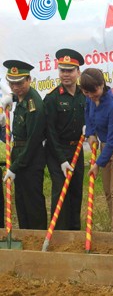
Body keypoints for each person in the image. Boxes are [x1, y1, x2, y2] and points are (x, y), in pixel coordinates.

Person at [80, 68, 113, 233]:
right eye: (87, 92)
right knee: (108, 192)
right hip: (105, 147)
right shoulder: (90, 98)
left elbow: (112, 140)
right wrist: (90, 134)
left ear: (102, 84)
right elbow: (88, 116)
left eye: (94, 91)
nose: (91, 95)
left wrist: (97, 164)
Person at [1, 60, 47, 229]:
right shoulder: (20, 97)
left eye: (19, 83)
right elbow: (17, 95)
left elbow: (33, 141)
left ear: (29, 80)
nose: (15, 87)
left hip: (30, 158)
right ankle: (25, 236)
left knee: (32, 200)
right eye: (12, 83)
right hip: (19, 153)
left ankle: (37, 238)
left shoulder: (33, 104)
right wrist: (10, 98)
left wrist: (15, 167)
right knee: (21, 199)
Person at [44, 49, 86, 230]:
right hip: (57, 152)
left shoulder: (84, 94)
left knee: (76, 192)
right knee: (61, 193)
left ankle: (74, 233)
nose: (66, 74)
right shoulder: (52, 98)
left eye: (70, 70)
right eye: (62, 70)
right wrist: (61, 159)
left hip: (77, 150)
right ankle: (60, 233)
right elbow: (50, 133)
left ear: (78, 72)